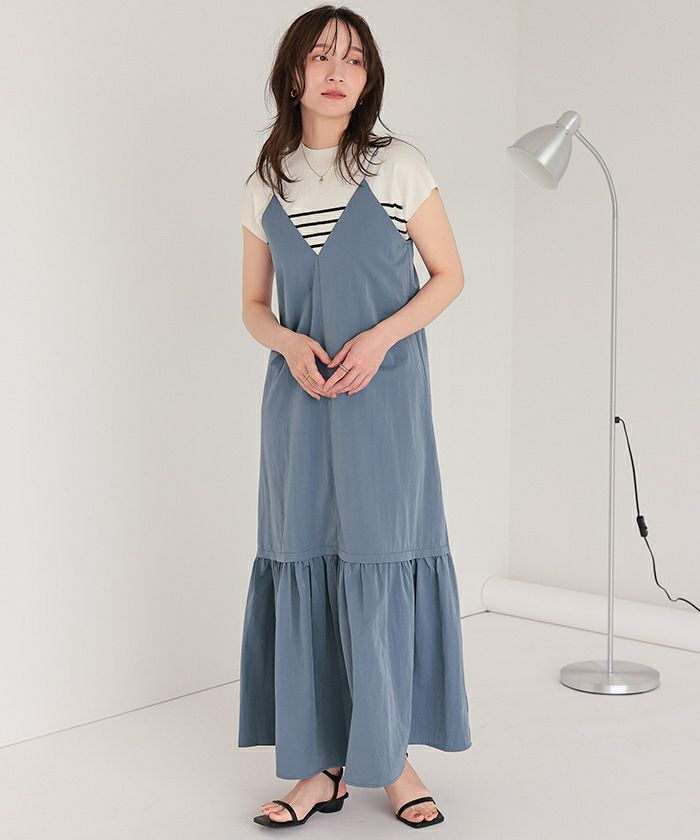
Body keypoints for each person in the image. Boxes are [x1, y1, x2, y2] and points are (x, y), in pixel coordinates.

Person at [238, 5, 472, 829]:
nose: (338, 71)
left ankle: (393, 762)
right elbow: (253, 307)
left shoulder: (397, 167)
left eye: (355, 59)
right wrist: (288, 343)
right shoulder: (266, 182)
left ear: (368, 79)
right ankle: (323, 768)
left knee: (378, 558)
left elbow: (448, 275)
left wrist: (379, 338)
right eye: (321, 56)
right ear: (293, 73)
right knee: (307, 556)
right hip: (297, 406)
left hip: (386, 399)